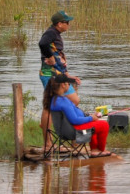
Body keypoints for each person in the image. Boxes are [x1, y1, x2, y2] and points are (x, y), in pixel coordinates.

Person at [39, 11, 82, 148]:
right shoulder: (51, 32)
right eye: (67, 22)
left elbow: (59, 57)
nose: (69, 25)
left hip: (58, 74)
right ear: (59, 24)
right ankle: (48, 143)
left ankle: (70, 136)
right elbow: (42, 43)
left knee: (74, 100)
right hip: (50, 75)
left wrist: (68, 75)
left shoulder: (55, 34)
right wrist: (49, 56)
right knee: (49, 106)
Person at [44, 74, 111, 157]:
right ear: (63, 85)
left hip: (62, 132)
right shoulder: (63, 101)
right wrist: (91, 118)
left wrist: (90, 116)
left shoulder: (54, 99)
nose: (69, 85)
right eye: (68, 83)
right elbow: (75, 120)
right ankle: (100, 150)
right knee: (104, 125)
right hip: (75, 133)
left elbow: (74, 116)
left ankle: (94, 149)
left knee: (94, 124)